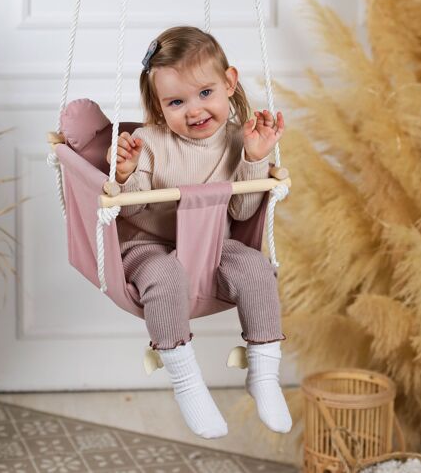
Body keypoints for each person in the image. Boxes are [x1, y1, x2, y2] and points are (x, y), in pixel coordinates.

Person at [107, 26, 292, 439]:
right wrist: (126, 173)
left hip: (212, 244)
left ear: (229, 83)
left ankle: (264, 372)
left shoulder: (236, 138)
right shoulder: (147, 141)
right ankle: (187, 380)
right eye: (176, 101)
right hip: (146, 244)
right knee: (165, 277)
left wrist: (253, 158)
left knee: (257, 269)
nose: (194, 110)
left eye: (205, 93)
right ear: (158, 106)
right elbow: (132, 208)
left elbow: (243, 209)